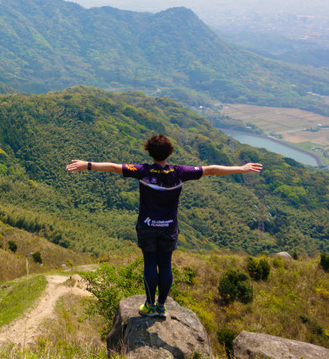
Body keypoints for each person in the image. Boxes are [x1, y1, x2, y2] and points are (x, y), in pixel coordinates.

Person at [67, 134, 262, 319]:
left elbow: (115, 167)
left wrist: (88, 165)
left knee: (150, 263)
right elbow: (211, 169)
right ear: (169, 152)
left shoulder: (143, 171)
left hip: (147, 227)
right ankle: (161, 306)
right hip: (169, 228)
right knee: (166, 264)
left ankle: (150, 305)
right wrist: (241, 168)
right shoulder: (179, 172)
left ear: (149, 153)